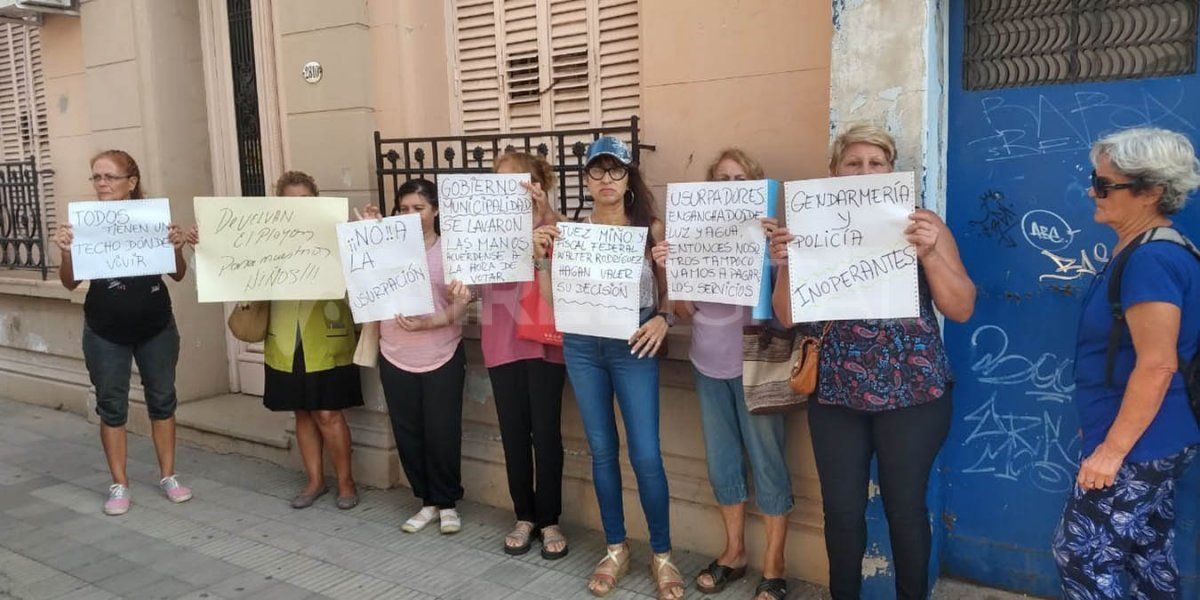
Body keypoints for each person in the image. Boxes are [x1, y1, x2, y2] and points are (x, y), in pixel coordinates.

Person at [769, 124, 976, 600]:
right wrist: (784, 266)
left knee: (905, 509)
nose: (865, 171)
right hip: (836, 394)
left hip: (913, 391)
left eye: (875, 163)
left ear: (891, 170)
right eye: (853, 163)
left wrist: (929, 254)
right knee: (841, 512)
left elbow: (962, 307)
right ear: (834, 172)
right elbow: (786, 316)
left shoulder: (923, 223)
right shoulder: (809, 226)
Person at [532, 136, 684, 599]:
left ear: (628, 177)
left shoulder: (650, 230)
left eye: (615, 170)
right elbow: (552, 302)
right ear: (586, 180)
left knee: (646, 454)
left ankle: (662, 553)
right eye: (597, 170)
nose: (606, 179)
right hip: (583, 345)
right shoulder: (572, 232)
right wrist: (541, 260)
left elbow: (671, 294)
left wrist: (663, 318)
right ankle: (616, 547)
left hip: (633, 343)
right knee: (601, 450)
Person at [1052, 127, 1200, 599]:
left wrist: (1112, 450)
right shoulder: (1143, 249)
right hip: (1155, 432)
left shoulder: (1151, 259)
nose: (1091, 192)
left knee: (1081, 556)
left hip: (1143, 441)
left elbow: (1157, 365)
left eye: (1104, 184)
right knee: (1145, 552)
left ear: (1151, 191)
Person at [651, 149, 793, 600]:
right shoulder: (694, 237)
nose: (731, 186)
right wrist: (670, 269)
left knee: (768, 460)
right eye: (722, 180)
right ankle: (734, 552)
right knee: (722, 462)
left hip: (758, 364)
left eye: (740, 180)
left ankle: (775, 563)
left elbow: (787, 314)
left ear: (757, 187)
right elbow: (682, 311)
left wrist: (776, 256)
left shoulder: (775, 240)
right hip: (706, 363)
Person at [186, 171, 363, 510]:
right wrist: (204, 247)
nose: (299, 207)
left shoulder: (337, 235)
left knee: (328, 413)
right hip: (284, 339)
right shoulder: (263, 239)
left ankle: (346, 482)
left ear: (317, 202)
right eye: (290, 202)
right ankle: (314, 481)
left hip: (326, 337)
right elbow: (228, 270)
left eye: (305, 201)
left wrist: (366, 232)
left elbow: (365, 270)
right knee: (302, 413)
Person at [54, 149, 193, 515]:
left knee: (162, 399)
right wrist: (66, 253)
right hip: (105, 330)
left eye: (109, 177)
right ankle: (119, 484)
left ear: (131, 182)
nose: (101, 183)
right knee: (111, 405)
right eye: (96, 177)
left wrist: (177, 248)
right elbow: (70, 283)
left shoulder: (152, 219)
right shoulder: (84, 224)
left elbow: (178, 273)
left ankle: (168, 476)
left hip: (156, 326)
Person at [364, 178, 472, 535]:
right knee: (408, 432)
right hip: (394, 354)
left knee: (443, 432)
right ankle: (426, 501)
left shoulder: (451, 251)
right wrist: (368, 235)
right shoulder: (384, 249)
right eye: (404, 208)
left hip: (442, 353)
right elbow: (364, 283)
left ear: (435, 210)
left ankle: (447, 502)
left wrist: (429, 323)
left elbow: (460, 307)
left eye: (419, 208)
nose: (411, 214)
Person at [482, 152, 569, 559]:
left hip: (544, 343)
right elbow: (470, 282)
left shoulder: (558, 226)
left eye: (523, 180)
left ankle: (550, 519)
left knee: (547, 434)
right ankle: (524, 516)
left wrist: (545, 216)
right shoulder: (481, 230)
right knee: (513, 434)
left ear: (540, 184)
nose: (514, 188)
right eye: (503, 180)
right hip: (500, 341)